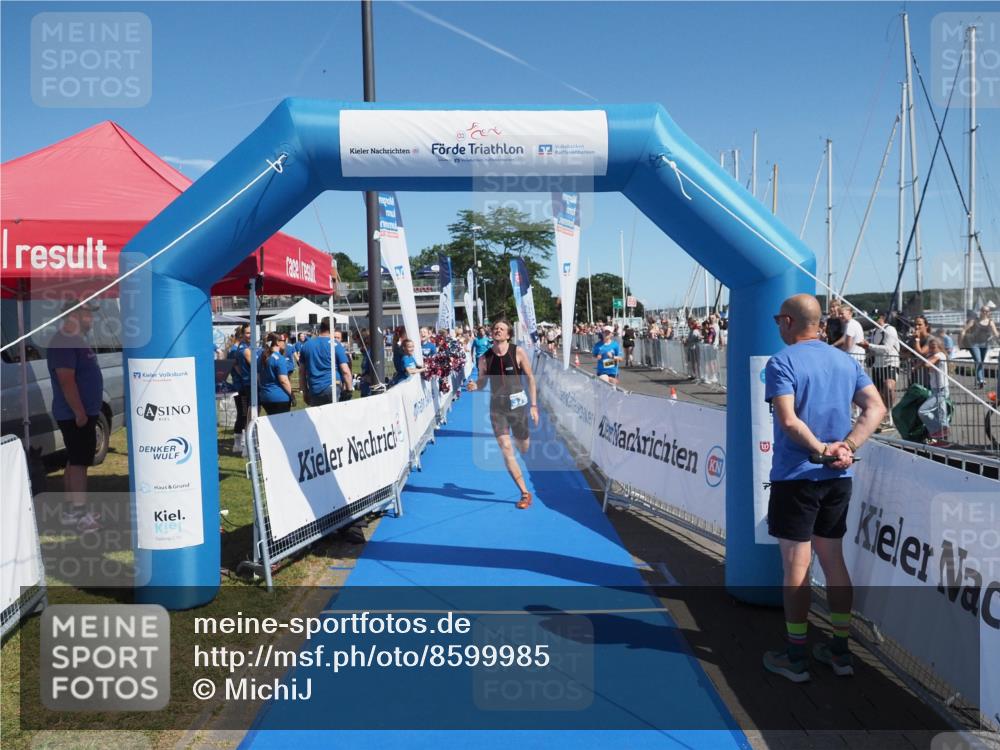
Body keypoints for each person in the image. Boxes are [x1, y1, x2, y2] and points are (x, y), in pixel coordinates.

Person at [763, 294, 885, 683]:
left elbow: (788, 420)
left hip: (799, 476)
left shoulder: (781, 361)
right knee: (833, 562)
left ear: (787, 321)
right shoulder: (845, 361)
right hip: (837, 479)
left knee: (797, 567)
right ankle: (839, 651)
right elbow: (876, 408)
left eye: (777, 320)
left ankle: (796, 656)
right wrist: (845, 448)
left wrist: (822, 451)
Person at [466, 319, 539, 509]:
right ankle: (524, 493)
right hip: (497, 407)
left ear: (508, 335)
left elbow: (530, 378)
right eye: (495, 328)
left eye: (501, 329)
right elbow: (482, 382)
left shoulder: (518, 352)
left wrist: (533, 405)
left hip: (518, 406)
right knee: (506, 448)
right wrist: (476, 385)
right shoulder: (484, 357)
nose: (497, 330)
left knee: (523, 447)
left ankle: (521, 439)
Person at [47, 300, 104, 533]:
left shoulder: (76, 341)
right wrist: (79, 411)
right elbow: (66, 380)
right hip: (75, 414)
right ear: (76, 314)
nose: (92, 318)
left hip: (82, 413)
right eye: (89, 313)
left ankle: (72, 511)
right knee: (80, 462)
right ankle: (80, 515)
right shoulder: (63, 342)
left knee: (74, 460)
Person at [859, 310, 899, 430]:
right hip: (878, 365)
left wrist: (869, 346)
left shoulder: (890, 329)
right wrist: (867, 350)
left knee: (888, 387)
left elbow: (887, 348)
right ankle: (883, 417)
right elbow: (874, 349)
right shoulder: (875, 331)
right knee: (879, 393)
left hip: (890, 363)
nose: (873, 319)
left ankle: (889, 414)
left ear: (882, 317)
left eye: (876, 317)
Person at [918, 337, 950, 444]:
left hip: (941, 389)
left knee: (923, 411)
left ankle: (939, 429)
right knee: (941, 415)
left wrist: (924, 359)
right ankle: (942, 438)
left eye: (933, 347)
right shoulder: (931, 356)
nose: (931, 349)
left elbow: (927, 364)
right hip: (935, 389)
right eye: (930, 347)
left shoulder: (940, 355)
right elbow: (919, 364)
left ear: (939, 347)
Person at [298, 317, 336, 406]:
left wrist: (304, 390)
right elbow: (345, 370)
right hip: (330, 386)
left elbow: (301, 372)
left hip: (315, 387)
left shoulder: (307, 345)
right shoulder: (335, 345)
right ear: (333, 328)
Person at [229, 324, 254, 455]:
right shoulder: (236, 349)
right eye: (247, 333)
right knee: (244, 414)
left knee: (245, 414)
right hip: (241, 386)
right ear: (241, 335)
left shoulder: (239, 348)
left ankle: (241, 444)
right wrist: (243, 377)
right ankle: (242, 445)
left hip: (242, 384)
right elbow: (235, 366)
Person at [961, 304, 998, 388]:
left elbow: (995, 333)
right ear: (980, 312)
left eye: (986, 311)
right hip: (974, 344)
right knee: (978, 360)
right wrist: (962, 341)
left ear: (989, 313)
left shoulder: (990, 322)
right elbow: (964, 329)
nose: (984, 312)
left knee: (981, 362)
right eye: (983, 311)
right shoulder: (974, 320)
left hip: (985, 344)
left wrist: (997, 337)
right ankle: (980, 380)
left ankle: (978, 380)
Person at [258, 334, 295, 415]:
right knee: (282, 426)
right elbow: (283, 380)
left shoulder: (262, 357)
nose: (285, 343)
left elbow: (258, 378)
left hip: (265, 397)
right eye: (283, 341)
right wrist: (291, 394)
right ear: (277, 342)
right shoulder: (279, 358)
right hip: (279, 398)